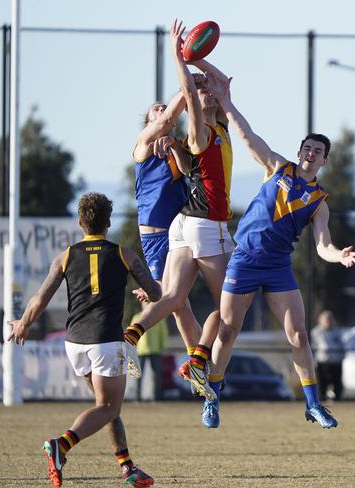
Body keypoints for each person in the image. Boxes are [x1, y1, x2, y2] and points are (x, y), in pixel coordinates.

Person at [202, 70, 355, 430]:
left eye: (317, 151)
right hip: (245, 259)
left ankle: (313, 404)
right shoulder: (276, 167)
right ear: (300, 151)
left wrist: (340, 256)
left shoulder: (319, 202)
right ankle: (212, 397)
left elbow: (323, 245)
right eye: (307, 147)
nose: (310, 153)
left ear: (324, 161)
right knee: (227, 331)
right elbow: (244, 134)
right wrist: (225, 100)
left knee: (299, 336)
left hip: (276, 267)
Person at [7, 192, 161, 488]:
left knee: (104, 406)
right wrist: (150, 290)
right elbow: (155, 294)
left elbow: (40, 298)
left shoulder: (65, 256)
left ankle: (128, 468)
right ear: (108, 223)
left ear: (81, 222)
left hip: (74, 342)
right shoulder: (123, 254)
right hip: (105, 341)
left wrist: (23, 324)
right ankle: (60, 445)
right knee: (108, 407)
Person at [124, 19, 235, 402]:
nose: (161, 111)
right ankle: (194, 361)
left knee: (175, 300)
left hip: (179, 228)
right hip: (164, 234)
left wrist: (199, 64)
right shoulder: (144, 144)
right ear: (150, 122)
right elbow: (177, 112)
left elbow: (191, 171)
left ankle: (190, 361)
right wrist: (183, 59)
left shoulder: (178, 147)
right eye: (155, 111)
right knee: (185, 303)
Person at [132, 303, 169, 401]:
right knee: (138, 374)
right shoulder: (137, 317)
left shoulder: (159, 316)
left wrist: (163, 346)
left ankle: (157, 397)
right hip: (141, 350)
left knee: (157, 375)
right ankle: (137, 397)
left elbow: (163, 332)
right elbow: (132, 332)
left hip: (155, 349)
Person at [311, 310, 345, 401]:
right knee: (321, 386)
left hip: (335, 362)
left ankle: (338, 402)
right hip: (322, 362)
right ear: (320, 321)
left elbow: (342, 346)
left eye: (329, 320)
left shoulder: (338, 332)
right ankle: (320, 403)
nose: (328, 322)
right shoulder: (316, 332)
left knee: (337, 385)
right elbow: (314, 347)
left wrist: (341, 357)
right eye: (326, 320)